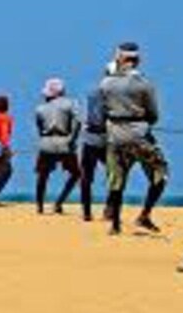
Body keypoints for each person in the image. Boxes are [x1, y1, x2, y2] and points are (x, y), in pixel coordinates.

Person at [99, 42, 168, 235]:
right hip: (139, 134)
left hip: (114, 135)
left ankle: (115, 225)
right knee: (160, 174)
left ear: (119, 59)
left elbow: (102, 111)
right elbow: (153, 114)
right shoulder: (144, 84)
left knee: (116, 181)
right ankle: (144, 215)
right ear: (137, 60)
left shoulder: (105, 83)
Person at [35, 78, 82, 215]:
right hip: (65, 142)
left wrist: (43, 138)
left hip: (46, 142)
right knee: (76, 174)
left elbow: (39, 126)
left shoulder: (40, 108)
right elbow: (78, 122)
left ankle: (39, 206)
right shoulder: (71, 104)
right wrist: (73, 139)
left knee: (42, 175)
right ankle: (59, 202)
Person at [80, 86, 110, 222]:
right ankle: (109, 210)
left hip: (89, 139)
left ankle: (87, 212)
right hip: (106, 140)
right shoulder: (115, 95)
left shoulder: (92, 93)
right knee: (115, 175)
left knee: (86, 178)